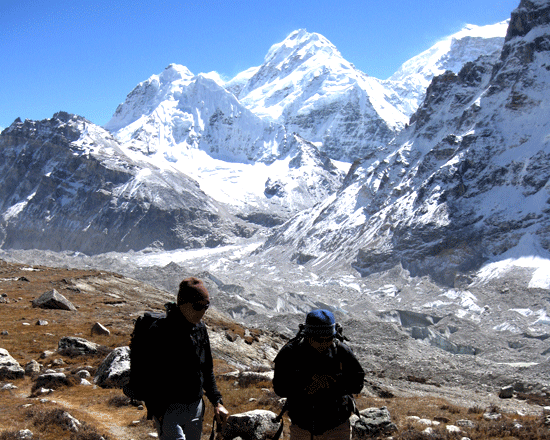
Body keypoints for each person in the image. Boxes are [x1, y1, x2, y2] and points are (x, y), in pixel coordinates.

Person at [144, 277, 229, 440]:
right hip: (168, 409)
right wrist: (159, 412)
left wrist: (217, 402)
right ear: (183, 304)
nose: (203, 311)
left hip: (195, 407)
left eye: (206, 306)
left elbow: (206, 368)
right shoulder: (160, 330)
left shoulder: (200, 328)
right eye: (198, 306)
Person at [273, 309, 365, 440]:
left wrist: (332, 383)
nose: (325, 343)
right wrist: (306, 385)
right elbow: (280, 387)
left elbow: (357, 383)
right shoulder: (290, 353)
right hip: (302, 426)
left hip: (337, 425)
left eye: (329, 339)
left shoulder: (341, 351)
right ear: (308, 335)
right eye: (319, 340)